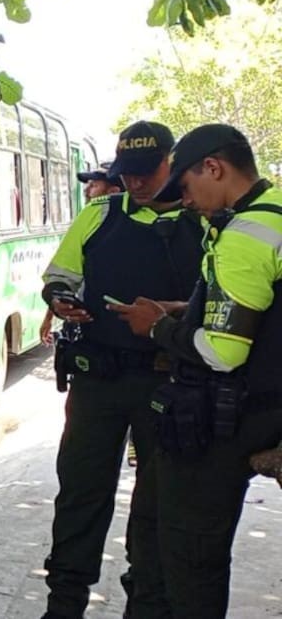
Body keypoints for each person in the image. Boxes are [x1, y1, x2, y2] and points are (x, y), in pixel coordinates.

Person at [111, 123, 282, 617]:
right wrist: (185, 309)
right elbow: (255, 310)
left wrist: (156, 328)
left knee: (189, 562)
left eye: (184, 187)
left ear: (215, 168)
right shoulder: (269, 216)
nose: (184, 201)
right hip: (264, 406)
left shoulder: (245, 236)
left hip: (229, 417)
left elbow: (223, 352)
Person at [38, 121, 205, 619]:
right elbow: (59, 276)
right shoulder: (100, 214)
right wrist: (61, 300)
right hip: (98, 381)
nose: (134, 183)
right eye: (126, 173)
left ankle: (147, 603)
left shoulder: (204, 222)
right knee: (80, 497)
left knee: (158, 508)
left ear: (171, 163)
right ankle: (64, 603)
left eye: (145, 172)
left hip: (171, 384)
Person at [39, 163, 124, 346]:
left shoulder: (99, 215)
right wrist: (54, 310)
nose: (86, 191)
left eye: (94, 185)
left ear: (114, 192)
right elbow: (65, 279)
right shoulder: (89, 218)